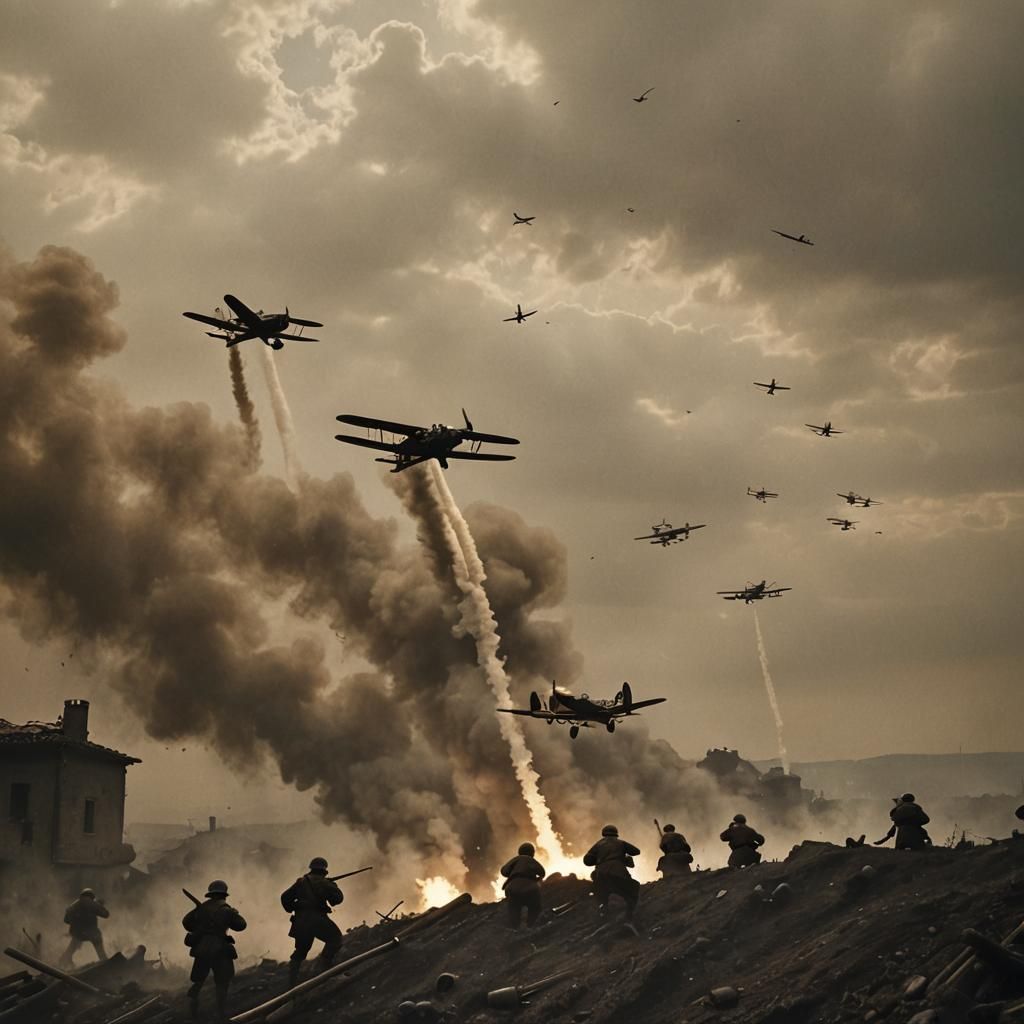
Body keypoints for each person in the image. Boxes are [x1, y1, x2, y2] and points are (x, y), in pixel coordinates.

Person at [182, 879, 246, 1022]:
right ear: (224, 894)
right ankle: (222, 1015)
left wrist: (201, 925)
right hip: (221, 949)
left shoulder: (200, 908)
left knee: (198, 982)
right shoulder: (227, 910)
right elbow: (241, 925)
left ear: (210, 894)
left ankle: (192, 1014)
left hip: (202, 949)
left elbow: (186, 923)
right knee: (222, 983)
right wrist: (235, 913)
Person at [280, 857, 343, 988]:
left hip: (301, 922)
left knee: (300, 951)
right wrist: (332, 886)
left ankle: (292, 984)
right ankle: (323, 969)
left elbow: (285, 897)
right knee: (335, 939)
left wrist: (293, 907)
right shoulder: (325, 883)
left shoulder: (301, 882)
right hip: (317, 920)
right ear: (324, 870)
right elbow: (337, 899)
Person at [583, 825, 641, 922]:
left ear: (603, 834)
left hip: (600, 874)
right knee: (634, 887)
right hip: (618, 873)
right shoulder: (621, 843)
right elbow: (636, 851)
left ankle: (603, 913)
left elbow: (587, 860)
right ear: (616, 834)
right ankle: (630, 915)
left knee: (602, 895)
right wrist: (623, 856)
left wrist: (598, 860)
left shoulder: (598, 844)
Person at [499, 842, 546, 929]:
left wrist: (512, 873)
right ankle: (531, 926)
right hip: (529, 887)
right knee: (535, 907)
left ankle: (514, 929)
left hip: (512, 887)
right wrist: (536, 880)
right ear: (532, 853)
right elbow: (542, 872)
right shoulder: (531, 860)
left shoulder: (516, 859)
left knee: (514, 908)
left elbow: (504, 871)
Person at [59, 888, 109, 967]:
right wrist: (99, 905)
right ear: (91, 896)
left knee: (72, 947)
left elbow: (66, 920)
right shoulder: (92, 903)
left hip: (77, 933)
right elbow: (106, 914)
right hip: (91, 932)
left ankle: (63, 962)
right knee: (99, 946)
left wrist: (76, 919)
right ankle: (105, 962)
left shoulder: (74, 904)